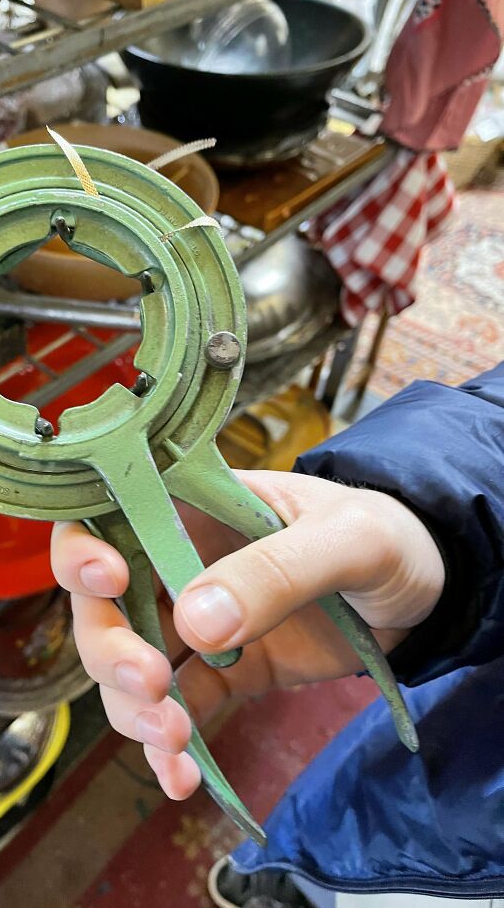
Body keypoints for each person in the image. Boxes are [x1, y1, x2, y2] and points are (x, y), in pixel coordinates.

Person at [50, 363, 504, 907]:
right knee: (327, 844)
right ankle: (286, 877)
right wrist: (434, 532)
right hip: (430, 787)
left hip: (441, 834)